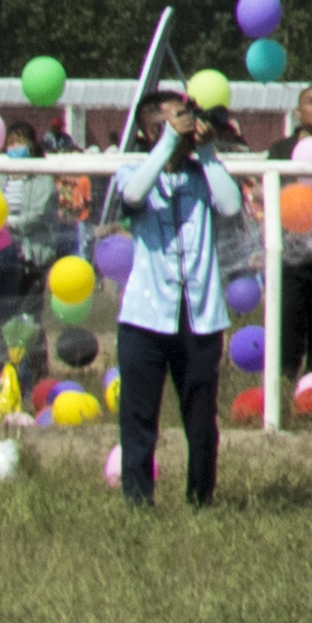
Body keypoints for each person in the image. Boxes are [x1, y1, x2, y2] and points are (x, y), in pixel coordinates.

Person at [104, 76, 245, 508]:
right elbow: (132, 194)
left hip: (200, 317)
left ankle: (202, 499)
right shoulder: (133, 170)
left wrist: (206, 151)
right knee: (139, 418)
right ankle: (137, 501)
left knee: (202, 421)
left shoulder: (204, 175)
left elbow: (231, 205)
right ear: (152, 130)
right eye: (174, 118)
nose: (186, 124)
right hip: (145, 317)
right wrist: (166, 145)